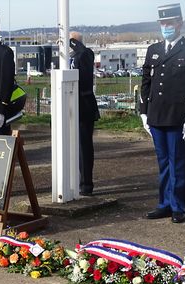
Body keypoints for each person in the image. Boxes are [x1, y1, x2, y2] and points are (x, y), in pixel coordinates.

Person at [140, 3, 185, 223]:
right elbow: (146, 82)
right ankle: (164, 204)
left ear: (180, 24)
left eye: (170, 23)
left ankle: (178, 206)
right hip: (157, 115)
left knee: (177, 162)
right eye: (163, 23)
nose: (166, 27)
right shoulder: (154, 50)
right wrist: (143, 112)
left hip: (179, 116)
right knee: (163, 163)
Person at [70, 32, 100, 196]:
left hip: (84, 107)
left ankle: (86, 184)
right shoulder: (70, 56)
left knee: (84, 146)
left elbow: (84, 57)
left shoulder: (85, 54)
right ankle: (73, 181)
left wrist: (72, 41)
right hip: (69, 106)